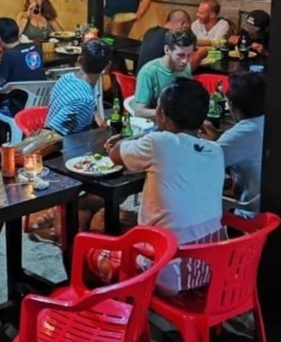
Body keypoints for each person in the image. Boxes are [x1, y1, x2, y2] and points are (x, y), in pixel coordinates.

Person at [99, 80, 225, 295]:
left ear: (163, 115)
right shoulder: (216, 151)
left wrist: (133, 138)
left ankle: (117, 310)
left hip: (169, 267)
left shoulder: (160, 142)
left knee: (89, 249)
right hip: (210, 264)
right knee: (123, 221)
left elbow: (114, 154)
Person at [201, 71, 265, 210]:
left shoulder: (243, 132)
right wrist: (218, 137)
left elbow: (203, 164)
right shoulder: (271, 120)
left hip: (252, 212)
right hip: (280, 205)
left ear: (232, 104)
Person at [46, 39, 110, 136]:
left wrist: (96, 117)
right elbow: (52, 134)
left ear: (79, 60)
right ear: (107, 67)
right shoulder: (84, 100)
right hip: (67, 148)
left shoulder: (66, 78)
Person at [132, 30, 196, 119]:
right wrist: (172, 113)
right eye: (180, 55)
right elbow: (139, 111)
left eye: (189, 55)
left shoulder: (185, 68)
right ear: (167, 50)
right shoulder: (149, 72)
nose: (185, 61)